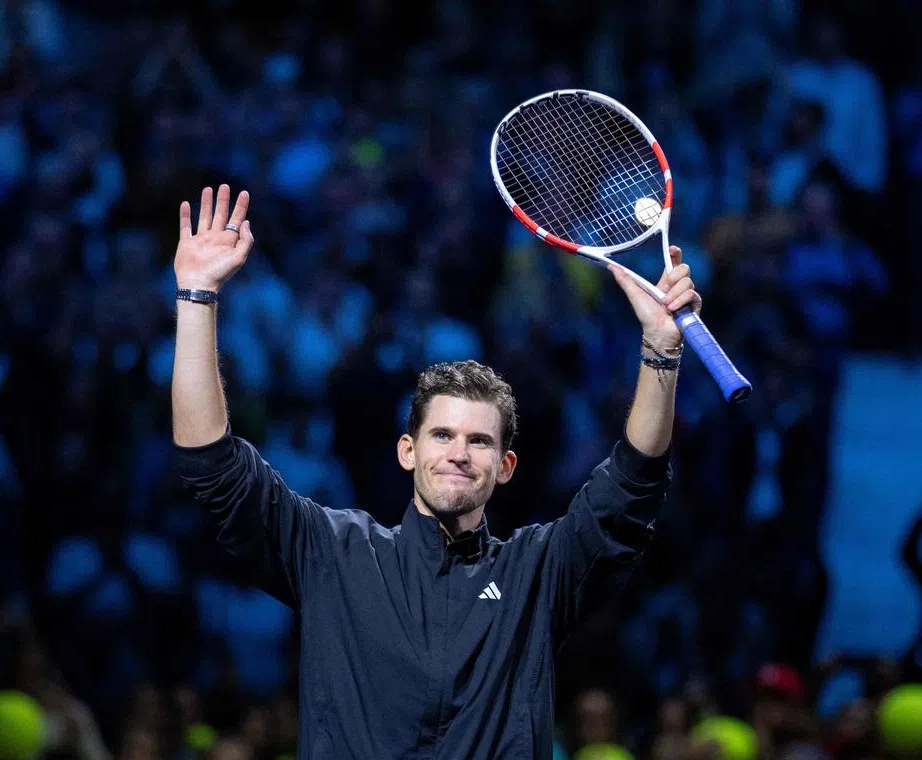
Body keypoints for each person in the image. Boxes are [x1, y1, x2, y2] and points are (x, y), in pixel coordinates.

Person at [170, 185, 703, 758]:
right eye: (443, 435)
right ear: (407, 450)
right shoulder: (334, 554)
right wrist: (196, 297)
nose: (459, 453)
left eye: (479, 441)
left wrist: (660, 348)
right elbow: (212, 464)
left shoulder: (537, 572)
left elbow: (633, 483)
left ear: (506, 466)